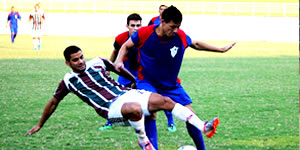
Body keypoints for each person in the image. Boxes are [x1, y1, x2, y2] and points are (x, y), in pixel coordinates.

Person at [25, 45, 219, 150]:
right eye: (75, 60)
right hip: (110, 108)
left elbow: (117, 67)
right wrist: (40, 124)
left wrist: (135, 81)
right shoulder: (68, 81)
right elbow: (53, 103)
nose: (80, 61)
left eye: (81, 57)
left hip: (127, 93)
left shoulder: (98, 62)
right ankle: (144, 141)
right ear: (68, 63)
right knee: (135, 109)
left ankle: (203, 126)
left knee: (165, 101)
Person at [115, 5, 236, 150]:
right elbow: (125, 46)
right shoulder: (144, 33)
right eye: (172, 27)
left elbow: (195, 43)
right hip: (147, 81)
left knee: (190, 115)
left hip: (171, 84)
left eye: (178, 27)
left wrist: (221, 50)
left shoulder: (179, 36)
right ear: (162, 21)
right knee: (151, 113)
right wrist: (119, 61)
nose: (175, 31)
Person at [99, 13, 142, 131]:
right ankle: (110, 122)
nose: (135, 28)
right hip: (125, 70)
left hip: (141, 71)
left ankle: (170, 123)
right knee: (118, 97)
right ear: (127, 26)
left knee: (151, 96)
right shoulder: (120, 38)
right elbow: (115, 51)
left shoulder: (145, 37)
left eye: (138, 25)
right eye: (133, 25)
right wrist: (108, 68)